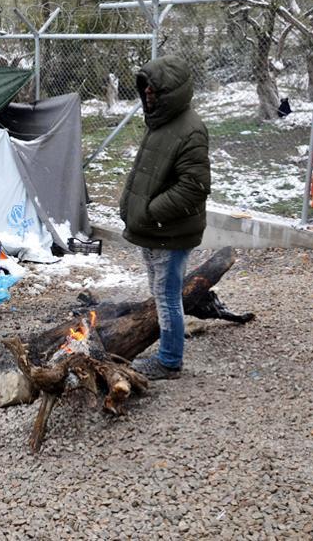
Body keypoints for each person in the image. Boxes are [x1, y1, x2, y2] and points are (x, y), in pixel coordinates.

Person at [119, 56, 211, 380]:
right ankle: (166, 349)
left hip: (169, 233)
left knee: (167, 295)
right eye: (145, 89)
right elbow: (145, 173)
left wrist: (147, 212)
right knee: (161, 293)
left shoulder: (190, 130)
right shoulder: (159, 123)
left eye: (154, 90)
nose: (148, 96)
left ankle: (169, 361)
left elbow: (194, 188)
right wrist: (129, 207)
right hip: (152, 229)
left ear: (171, 92)